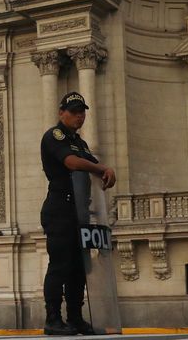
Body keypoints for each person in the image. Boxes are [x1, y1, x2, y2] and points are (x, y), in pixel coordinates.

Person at [40, 92, 116, 336]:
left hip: (79, 212)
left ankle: (75, 318)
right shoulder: (55, 136)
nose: (79, 116)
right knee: (60, 266)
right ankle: (53, 318)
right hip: (61, 208)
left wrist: (105, 172)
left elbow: (90, 166)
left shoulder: (80, 143)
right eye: (74, 111)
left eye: (82, 111)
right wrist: (102, 167)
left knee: (79, 268)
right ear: (62, 112)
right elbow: (71, 163)